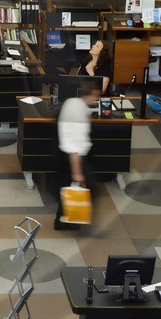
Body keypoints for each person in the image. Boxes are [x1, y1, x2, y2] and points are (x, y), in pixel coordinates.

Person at [53, 81, 98, 231]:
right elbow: (75, 150)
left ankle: (63, 220)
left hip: (62, 154)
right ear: (90, 95)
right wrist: (77, 172)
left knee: (65, 187)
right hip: (73, 158)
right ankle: (68, 219)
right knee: (86, 188)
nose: (96, 100)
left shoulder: (71, 102)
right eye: (95, 96)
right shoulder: (78, 115)